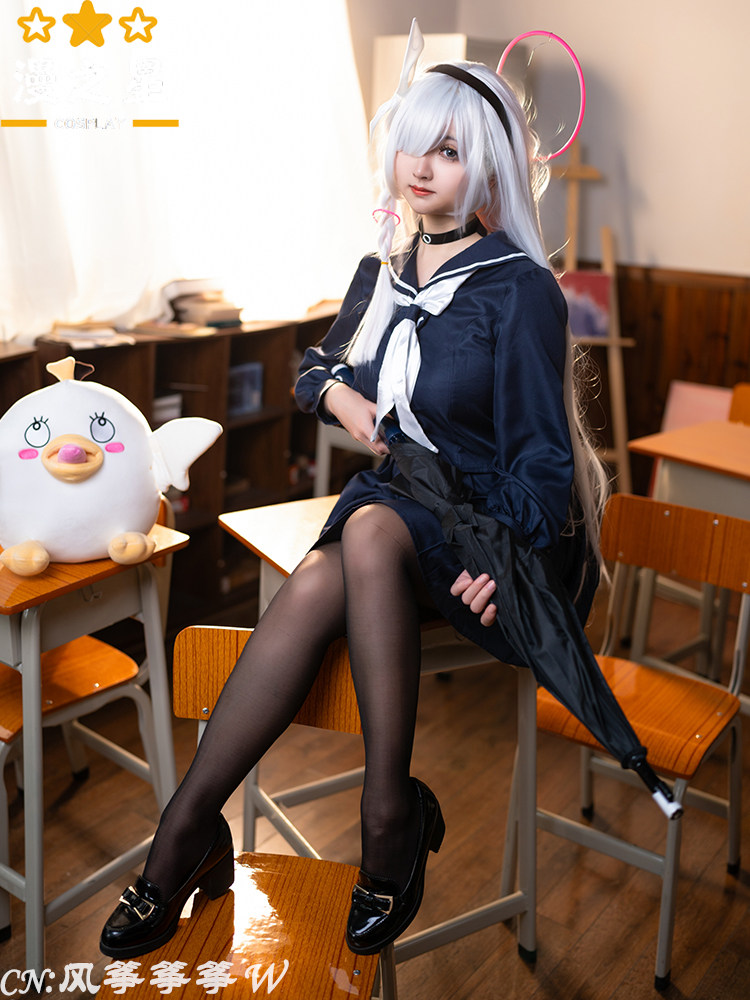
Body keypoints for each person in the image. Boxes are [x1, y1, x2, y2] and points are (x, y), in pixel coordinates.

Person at [100, 50, 608, 961]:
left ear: (489, 165)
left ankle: (342, 819)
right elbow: (316, 367)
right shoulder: (384, 272)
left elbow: (542, 462)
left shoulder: (519, 288)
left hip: (488, 532)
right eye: (415, 146)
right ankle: (225, 826)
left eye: (449, 151)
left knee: (365, 528)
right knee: (331, 565)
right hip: (400, 509)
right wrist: (342, 397)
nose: (423, 167)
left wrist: (502, 554)